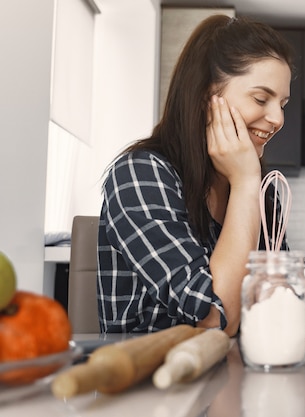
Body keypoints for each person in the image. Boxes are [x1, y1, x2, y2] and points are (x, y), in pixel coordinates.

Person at [97, 15, 294, 336]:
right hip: (152, 380)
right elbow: (217, 318)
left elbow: (275, 307)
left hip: (238, 376)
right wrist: (246, 183)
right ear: (206, 96)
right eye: (261, 99)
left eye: (283, 103)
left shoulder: (261, 193)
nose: (277, 118)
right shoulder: (140, 174)